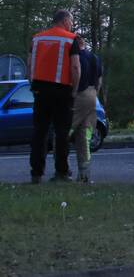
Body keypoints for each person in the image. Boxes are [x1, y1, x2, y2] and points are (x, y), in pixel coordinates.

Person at [28, 10, 82, 184]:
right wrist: (75, 89)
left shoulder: (37, 38)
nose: (72, 25)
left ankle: (36, 172)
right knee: (61, 132)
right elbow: (75, 67)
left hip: (40, 90)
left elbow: (29, 64)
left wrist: (33, 84)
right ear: (65, 20)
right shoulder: (70, 39)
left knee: (39, 132)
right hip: (62, 91)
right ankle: (61, 172)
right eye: (71, 22)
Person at [70, 40, 103, 183]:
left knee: (63, 131)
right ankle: (84, 175)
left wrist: (74, 92)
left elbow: (75, 71)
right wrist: (95, 94)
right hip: (92, 96)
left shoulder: (76, 58)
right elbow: (100, 80)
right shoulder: (95, 58)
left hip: (79, 94)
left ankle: (63, 170)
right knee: (84, 135)